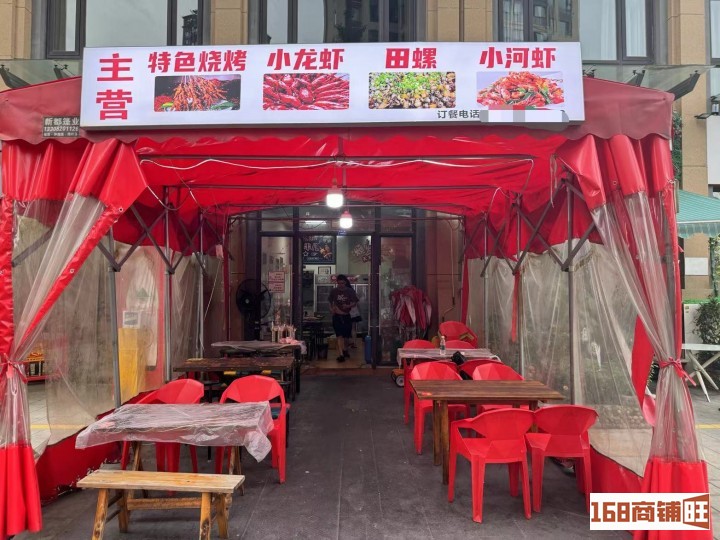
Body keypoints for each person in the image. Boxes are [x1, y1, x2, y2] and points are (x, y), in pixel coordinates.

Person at [328, 274, 359, 362]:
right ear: (337, 283)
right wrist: (331, 309)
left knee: (346, 336)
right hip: (337, 316)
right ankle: (341, 354)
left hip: (346, 315)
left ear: (345, 282)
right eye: (339, 283)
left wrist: (348, 306)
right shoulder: (334, 291)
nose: (341, 285)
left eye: (342, 283)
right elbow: (329, 301)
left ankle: (345, 350)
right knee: (339, 335)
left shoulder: (350, 291)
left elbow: (355, 302)